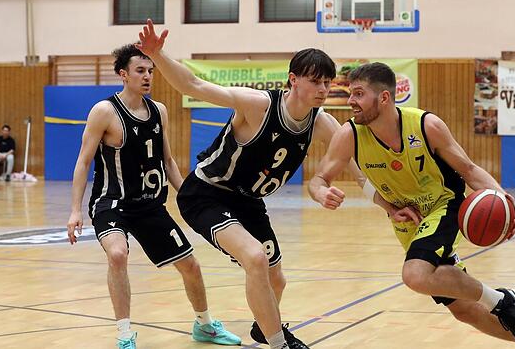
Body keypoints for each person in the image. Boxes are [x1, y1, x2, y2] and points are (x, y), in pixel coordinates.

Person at [309, 62, 515, 349]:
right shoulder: (350, 134)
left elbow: (468, 170)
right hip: (410, 223)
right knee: (464, 310)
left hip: (444, 206)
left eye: (358, 94)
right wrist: (321, 193)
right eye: (350, 94)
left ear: (384, 97)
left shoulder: (426, 126)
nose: (351, 102)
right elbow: (318, 179)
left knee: (414, 275)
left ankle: (502, 300)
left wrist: (504, 199)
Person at [136, 19, 356, 349]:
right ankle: (279, 344)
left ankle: (262, 329)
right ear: (293, 80)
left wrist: (387, 202)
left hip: (249, 202)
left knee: (277, 279)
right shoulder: (258, 105)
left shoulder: (322, 122)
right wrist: (158, 55)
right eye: (315, 81)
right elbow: (193, 85)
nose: (323, 89)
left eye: (327, 82)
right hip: (207, 193)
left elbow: (354, 163)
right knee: (255, 258)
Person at [66, 44, 240, 349]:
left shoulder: (159, 110)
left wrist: (190, 196)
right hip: (112, 203)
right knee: (117, 254)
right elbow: (83, 161)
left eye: (150, 71)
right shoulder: (104, 111)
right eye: (140, 71)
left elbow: (168, 160)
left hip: (149, 205)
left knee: (191, 266)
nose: (147, 76)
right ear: (123, 74)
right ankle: (124, 335)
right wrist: (75, 210)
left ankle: (204, 325)